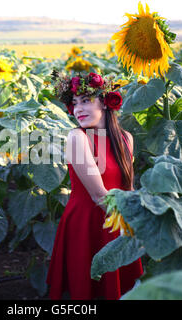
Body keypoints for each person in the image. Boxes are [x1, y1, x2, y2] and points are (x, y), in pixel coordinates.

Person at [46, 70, 143, 300]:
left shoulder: (126, 138)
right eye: (74, 103)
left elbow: (128, 188)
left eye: (86, 100)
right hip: (87, 222)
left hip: (118, 219)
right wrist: (138, 225)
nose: (78, 109)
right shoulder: (77, 138)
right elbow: (99, 195)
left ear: (106, 102)